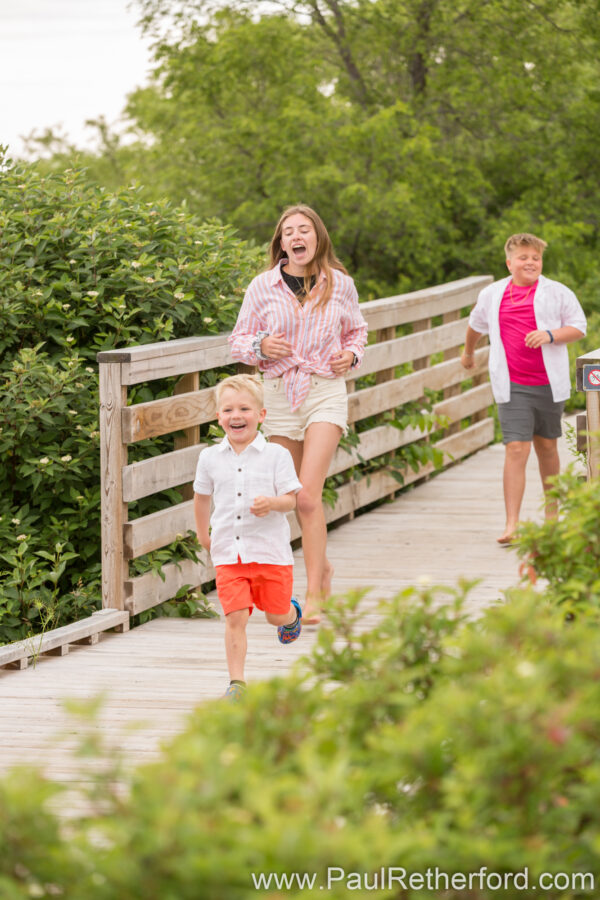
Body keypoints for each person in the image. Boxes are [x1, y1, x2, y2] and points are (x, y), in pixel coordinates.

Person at [228, 205, 368, 624]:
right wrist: (260, 348)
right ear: (281, 242)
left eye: (303, 229)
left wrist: (352, 354)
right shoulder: (262, 286)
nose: (296, 236)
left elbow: (358, 331)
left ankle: (314, 592)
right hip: (279, 393)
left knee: (307, 495)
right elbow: (237, 340)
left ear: (317, 237)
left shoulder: (339, 284)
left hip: (324, 390)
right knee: (289, 498)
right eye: (288, 232)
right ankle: (322, 567)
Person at [461, 233, 586, 544]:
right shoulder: (492, 294)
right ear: (509, 263)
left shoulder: (556, 292)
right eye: (524, 257)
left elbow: (578, 326)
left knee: (547, 447)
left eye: (536, 258)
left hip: (546, 382)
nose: (531, 262)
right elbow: (476, 326)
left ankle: (552, 517)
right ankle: (512, 524)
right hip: (512, 383)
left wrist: (550, 335)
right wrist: (468, 352)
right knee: (516, 448)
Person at [193, 374, 303, 701]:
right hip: (230, 554)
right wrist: (203, 535)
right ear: (218, 417)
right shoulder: (209, 458)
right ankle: (236, 683)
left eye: (244, 408)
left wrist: (272, 503)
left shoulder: (277, 455)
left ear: (261, 415)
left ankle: (292, 614)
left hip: (270, 553)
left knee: (275, 615)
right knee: (235, 616)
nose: (236, 416)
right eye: (228, 410)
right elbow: (201, 498)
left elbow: (292, 499)